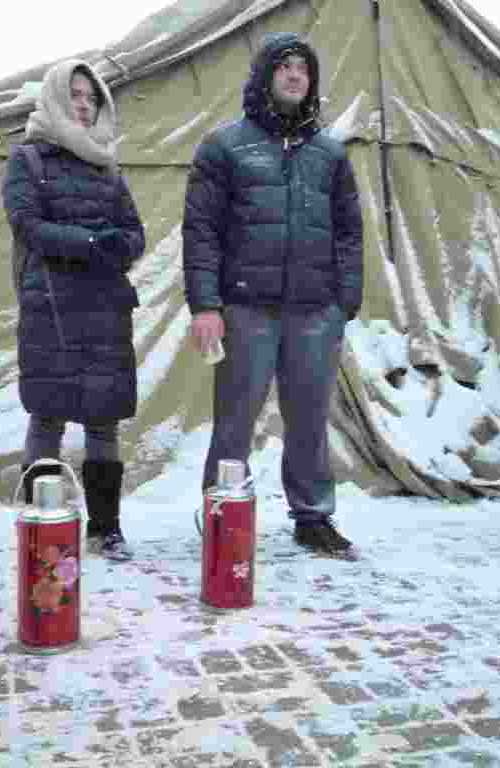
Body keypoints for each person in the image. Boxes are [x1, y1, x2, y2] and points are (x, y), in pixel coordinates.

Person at [182, 33, 364, 558]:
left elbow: (349, 231)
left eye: (303, 68)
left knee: (309, 419)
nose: (294, 74)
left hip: (314, 310)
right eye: (284, 66)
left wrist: (344, 301)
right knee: (235, 420)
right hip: (246, 308)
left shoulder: (330, 153)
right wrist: (206, 305)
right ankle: (223, 512)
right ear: (264, 76)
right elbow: (201, 231)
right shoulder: (223, 146)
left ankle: (313, 517)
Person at [3, 59, 144, 562]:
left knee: (104, 417)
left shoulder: (108, 167)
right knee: (49, 413)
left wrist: (118, 246)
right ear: (57, 99)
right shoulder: (29, 159)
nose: (84, 105)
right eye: (76, 95)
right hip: (51, 306)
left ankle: (105, 529)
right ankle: (40, 525)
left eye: (92, 98)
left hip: (105, 306)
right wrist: (89, 242)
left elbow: (134, 232)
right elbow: (27, 225)